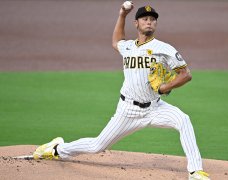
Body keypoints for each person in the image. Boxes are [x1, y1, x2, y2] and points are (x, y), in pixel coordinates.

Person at [33, 3, 210, 180]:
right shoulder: (128, 47)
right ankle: (56, 149)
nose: (149, 22)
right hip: (127, 110)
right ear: (137, 23)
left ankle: (195, 172)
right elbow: (116, 41)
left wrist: (165, 87)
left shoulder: (164, 49)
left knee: (183, 120)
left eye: (153, 20)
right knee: (97, 146)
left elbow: (185, 75)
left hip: (155, 108)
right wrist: (122, 15)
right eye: (145, 19)